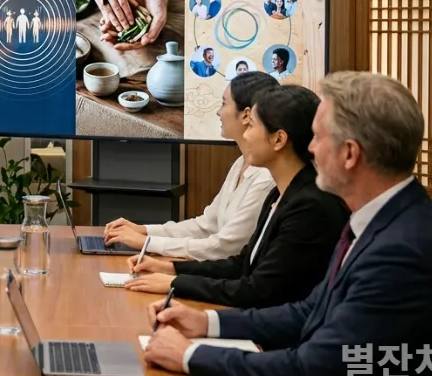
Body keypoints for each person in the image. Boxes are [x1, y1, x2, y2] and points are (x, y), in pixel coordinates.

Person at [144, 72, 432, 376]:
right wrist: (207, 322)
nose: (310, 148)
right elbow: (309, 311)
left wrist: (190, 355)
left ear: (349, 154)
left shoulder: (401, 249)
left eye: (318, 137)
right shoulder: (382, 218)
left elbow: (314, 372)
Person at [125, 85, 350, 308]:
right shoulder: (280, 192)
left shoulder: (309, 206)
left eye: (251, 125)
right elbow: (243, 264)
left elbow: (259, 291)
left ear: (278, 139)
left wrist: (176, 283)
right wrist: (171, 268)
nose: (246, 134)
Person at [103, 73, 277, 260]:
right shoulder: (241, 162)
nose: (218, 112)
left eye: (224, 104)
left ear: (246, 115)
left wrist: (147, 242)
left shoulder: (266, 179)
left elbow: (224, 247)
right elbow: (206, 226)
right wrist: (144, 230)